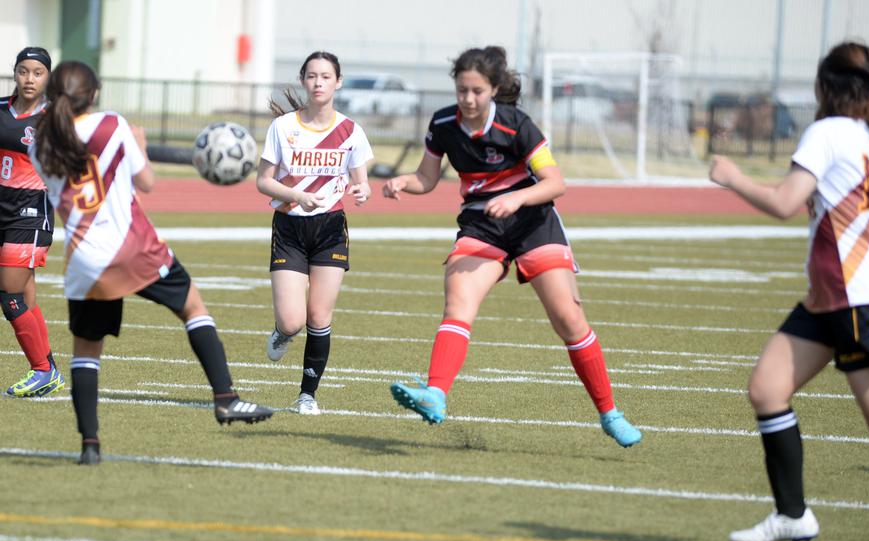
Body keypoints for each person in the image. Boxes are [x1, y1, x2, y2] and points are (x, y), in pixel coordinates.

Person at [381, 46, 641, 448]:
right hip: (482, 224)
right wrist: (402, 182)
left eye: (477, 91)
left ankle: (610, 413)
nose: (468, 99)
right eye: (462, 90)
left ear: (494, 89)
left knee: (568, 320)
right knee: (458, 302)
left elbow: (556, 183)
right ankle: (435, 394)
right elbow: (426, 178)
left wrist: (518, 198)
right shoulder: (443, 123)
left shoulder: (517, 124)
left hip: (533, 222)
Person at [709, 42, 869, 541]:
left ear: (827, 87)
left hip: (859, 303)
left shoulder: (828, 133)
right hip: (828, 302)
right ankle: (792, 514)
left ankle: (792, 512)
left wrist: (732, 177)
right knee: (767, 389)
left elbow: (783, 202)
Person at [30, 61, 273, 466]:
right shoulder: (112, 124)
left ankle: (90, 445)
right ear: (93, 95)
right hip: (132, 246)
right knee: (193, 306)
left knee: (87, 351)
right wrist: (138, 146)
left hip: (85, 258)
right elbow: (147, 183)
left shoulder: (40, 142)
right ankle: (226, 398)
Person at [256, 51, 372, 415]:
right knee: (293, 321)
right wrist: (297, 196)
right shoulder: (284, 127)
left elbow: (361, 182)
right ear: (303, 81)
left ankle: (307, 395)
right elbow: (263, 181)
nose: (318, 82)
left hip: (330, 229)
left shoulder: (351, 131)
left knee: (319, 317)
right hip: (290, 227)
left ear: (338, 82)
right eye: (311, 76)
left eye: (325, 76)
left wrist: (363, 191)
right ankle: (282, 332)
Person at [1, 47, 63, 398]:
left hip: (31, 216)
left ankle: (41, 371)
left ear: (47, 78)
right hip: (2, 213)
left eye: (37, 72)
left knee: (9, 294)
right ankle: (48, 367)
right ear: (15, 73)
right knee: (24, 295)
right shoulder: (0, 110)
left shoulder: (55, 119)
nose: (29, 78)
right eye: (23, 71)